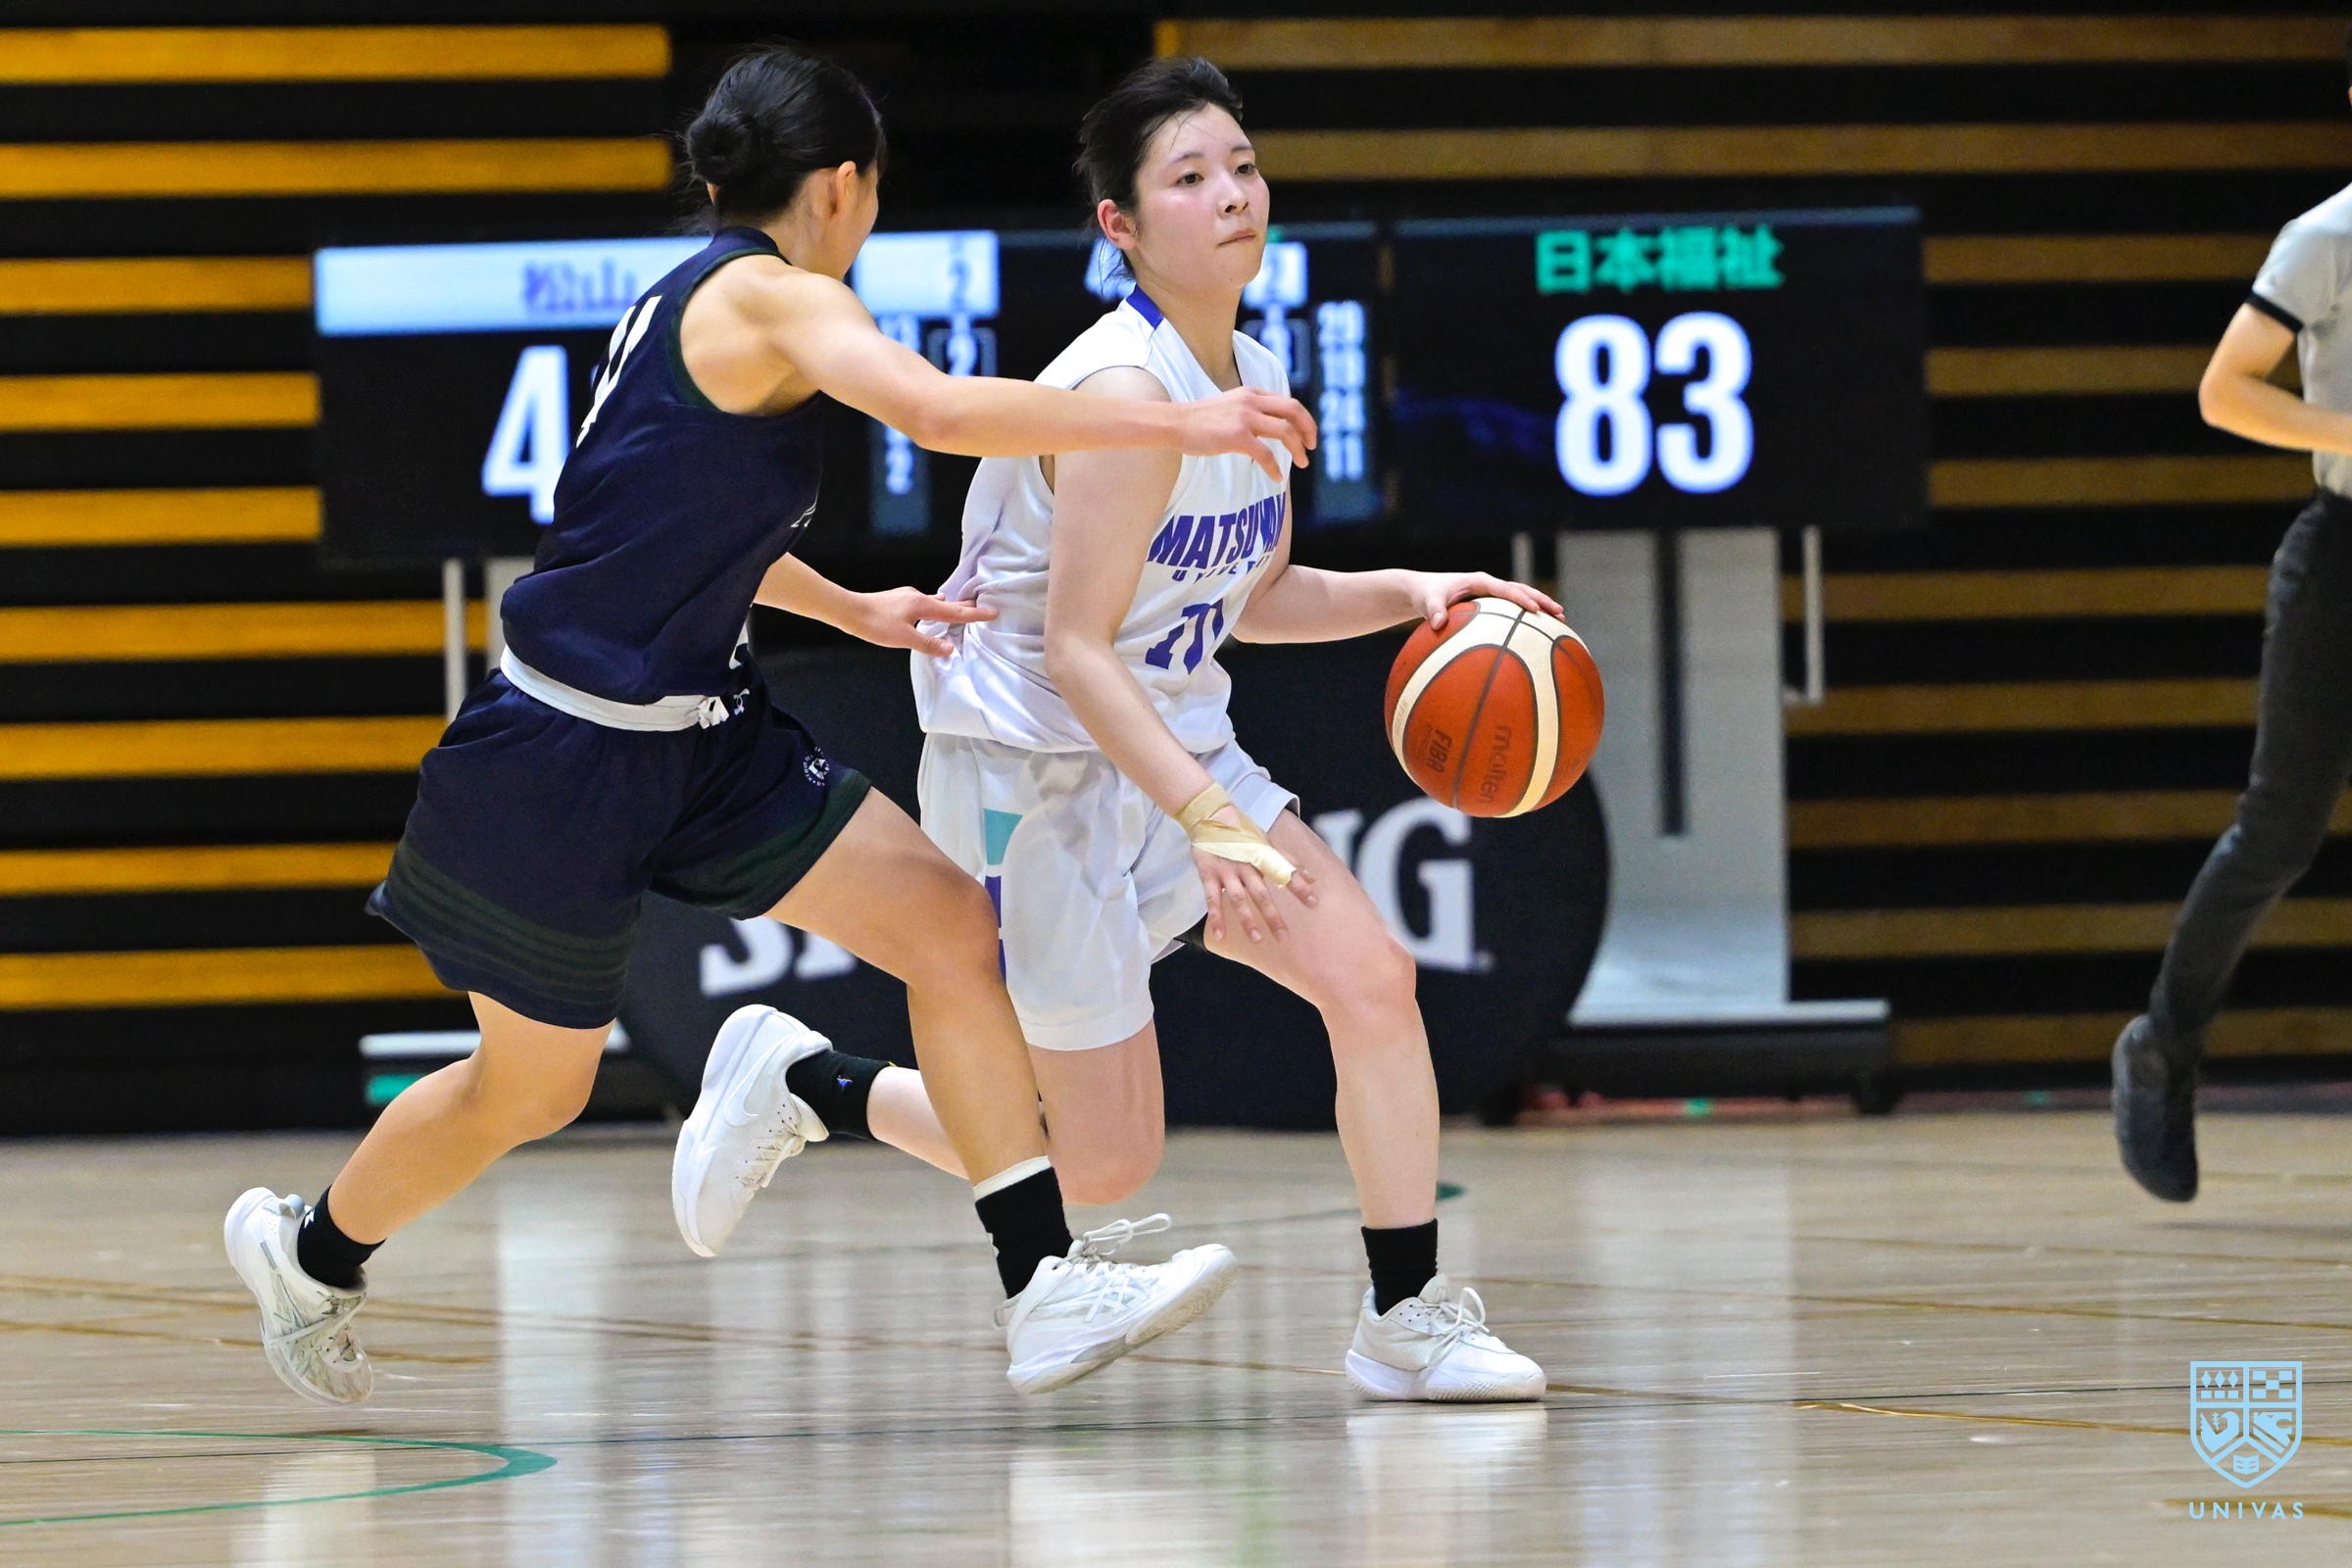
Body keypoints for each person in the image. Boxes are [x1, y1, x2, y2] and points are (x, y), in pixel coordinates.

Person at [224, 43, 1322, 1403]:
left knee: (947, 926)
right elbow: (937, 409)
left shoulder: (695, 302)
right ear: (843, 186)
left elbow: (675, 526)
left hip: (703, 734)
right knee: (532, 1089)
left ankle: (1041, 1284)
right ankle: (310, 1253)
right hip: (561, 753)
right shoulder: (773, 296)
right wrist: (1182, 422)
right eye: (876, 195)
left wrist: (851, 608)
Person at [676, 56, 1550, 1401]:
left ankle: (1405, 1317)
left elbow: (1252, 600)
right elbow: (1078, 653)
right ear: (1122, 227)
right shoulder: (1126, 394)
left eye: (1242, 166)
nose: (1233, 194)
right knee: (1099, 1161)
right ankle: (812, 1082)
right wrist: (1206, 821)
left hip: (1170, 744)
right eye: (1190, 178)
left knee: (1373, 979)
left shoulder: (1252, 372)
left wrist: (1416, 593)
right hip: (1034, 767)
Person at [2114, 44, 2352, 1202]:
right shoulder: (2326, 235)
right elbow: (2225, 389)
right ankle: (2163, 1045)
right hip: (2343, 548)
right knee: (2281, 831)